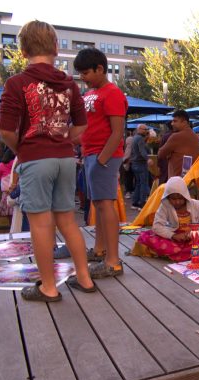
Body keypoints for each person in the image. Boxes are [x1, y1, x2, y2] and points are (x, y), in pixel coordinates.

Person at [0, 20, 95, 301]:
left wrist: (24, 148)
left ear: (23, 49)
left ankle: (49, 287)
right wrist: (63, 141)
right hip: (65, 158)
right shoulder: (69, 84)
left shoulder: (16, 83)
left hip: (35, 159)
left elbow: (5, 130)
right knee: (67, 221)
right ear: (55, 47)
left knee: (41, 224)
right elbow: (81, 126)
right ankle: (85, 278)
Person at [74, 47, 127, 279]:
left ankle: (113, 261)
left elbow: (118, 132)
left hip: (103, 156)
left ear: (100, 69)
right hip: (91, 156)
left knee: (105, 205)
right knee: (98, 204)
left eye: (86, 73)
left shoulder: (113, 93)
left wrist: (102, 160)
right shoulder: (90, 94)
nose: (82, 77)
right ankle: (99, 250)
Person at [132, 177, 199, 261]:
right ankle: (179, 253)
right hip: (174, 236)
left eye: (180, 198)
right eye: (173, 199)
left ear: (185, 196)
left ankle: (174, 253)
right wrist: (173, 236)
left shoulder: (198, 205)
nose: (177, 202)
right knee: (145, 236)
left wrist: (194, 233)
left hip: (194, 238)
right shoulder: (165, 206)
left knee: (198, 246)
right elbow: (156, 226)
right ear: (168, 197)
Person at [157, 110, 199, 178]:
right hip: (191, 178)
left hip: (176, 180)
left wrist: (169, 154)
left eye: (175, 121)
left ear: (184, 122)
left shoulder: (176, 136)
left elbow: (160, 154)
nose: (172, 124)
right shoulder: (195, 136)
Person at [130, 124, 150, 210]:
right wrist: (148, 159)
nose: (146, 131)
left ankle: (135, 203)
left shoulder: (134, 138)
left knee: (138, 183)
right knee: (143, 184)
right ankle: (142, 203)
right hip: (141, 164)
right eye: (145, 129)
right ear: (140, 129)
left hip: (134, 164)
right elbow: (142, 151)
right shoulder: (140, 139)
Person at [0, 148, 16, 218]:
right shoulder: (15, 164)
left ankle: (10, 227)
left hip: (5, 192)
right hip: (15, 191)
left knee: (7, 212)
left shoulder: (1, 165)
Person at [122, 130, 134, 198]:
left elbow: (126, 156)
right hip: (130, 163)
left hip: (128, 164)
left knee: (128, 177)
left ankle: (128, 191)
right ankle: (129, 190)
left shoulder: (127, 147)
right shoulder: (130, 147)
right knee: (129, 177)